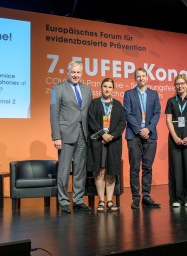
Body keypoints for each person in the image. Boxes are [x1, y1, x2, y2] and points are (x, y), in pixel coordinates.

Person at [50, 61, 92, 213]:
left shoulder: (87, 89)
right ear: (68, 72)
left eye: (78, 72)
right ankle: (64, 201)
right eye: (73, 72)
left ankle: (78, 200)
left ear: (81, 73)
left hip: (83, 134)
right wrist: (56, 136)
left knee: (80, 170)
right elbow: (53, 114)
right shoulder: (58, 88)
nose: (75, 75)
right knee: (64, 170)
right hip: (66, 135)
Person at [123, 67, 161, 209]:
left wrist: (148, 129)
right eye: (138, 76)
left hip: (150, 136)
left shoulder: (154, 94)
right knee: (134, 168)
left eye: (143, 76)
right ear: (135, 78)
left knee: (147, 168)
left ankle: (146, 196)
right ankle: (135, 198)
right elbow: (127, 114)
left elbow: (157, 113)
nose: (140, 78)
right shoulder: (128, 94)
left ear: (146, 77)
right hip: (134, 136)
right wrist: (140, 130)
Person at [87, 78, 126, 212]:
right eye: (105, 86)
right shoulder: (94, 103)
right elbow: (91, 121)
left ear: (113, 89)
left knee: (111, 171)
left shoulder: (118, 105)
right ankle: (101, 201)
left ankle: (109, 200)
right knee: (100, 171)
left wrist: (112, 135)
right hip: (98, 142)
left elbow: (122, 123)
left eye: (110, 87)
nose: (107, 89)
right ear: (101, 87)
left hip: (113, 143)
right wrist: (102, 134)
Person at [165, 74, 187, 208]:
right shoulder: (171, 101)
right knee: (176, 167)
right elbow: (168, 120)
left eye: (182, 83)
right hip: (175, 136)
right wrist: (174, 137)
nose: (180, 86)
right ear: (175, 86)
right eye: (177, 84)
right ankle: (177, 198)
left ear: (186, 84)